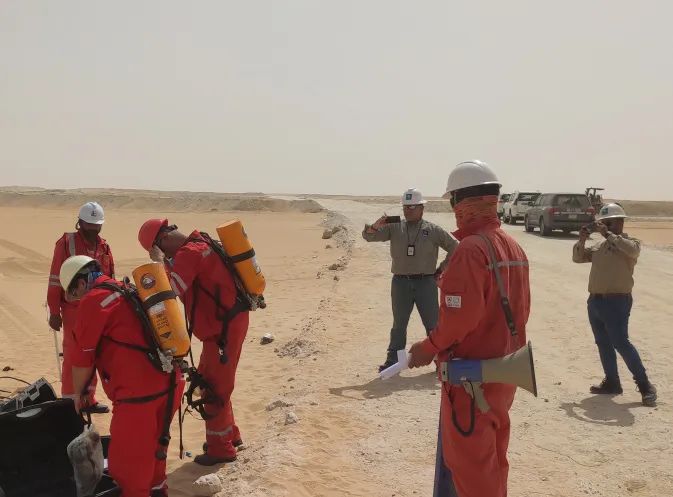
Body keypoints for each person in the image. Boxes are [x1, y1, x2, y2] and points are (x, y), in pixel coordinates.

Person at [408, 160, 530, 497]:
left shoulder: (471, 250)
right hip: (503, 373)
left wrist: (427, 347)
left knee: (474, 471)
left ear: (460, 202)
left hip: (472, 382)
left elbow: (459, 320)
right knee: (493, 463)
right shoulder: (511, 245)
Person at [60, 255, 184, 497]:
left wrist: (79, 395)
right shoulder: (127, 289)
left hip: (138, 396)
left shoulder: (94, 301)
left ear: (82, 283)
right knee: (155, 449)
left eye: (74, 293)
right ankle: (158, 490)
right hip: (171, 384)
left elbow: (82, 360)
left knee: (126, 467)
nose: (77, 299)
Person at [137, 219, 250, 466]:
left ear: (163, 240)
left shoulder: (189, 253)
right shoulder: (201, 241)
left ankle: (221, 449)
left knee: (214, 388)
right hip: (227, 324)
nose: (167, 256)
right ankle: (231, 435)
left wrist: (159, 262)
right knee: (214, 380)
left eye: (160, 249)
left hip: (222, 330)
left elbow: (172, 289)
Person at [363, 188, 457, 372]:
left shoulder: (433, 230)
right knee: (399, 324)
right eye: (405, 207)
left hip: (426, 283)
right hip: (401, 283)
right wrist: (375, 226)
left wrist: (441, 269)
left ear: (422, 208)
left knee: (433, 324)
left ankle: (442, 361)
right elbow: (368, 236)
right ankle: (394, 361)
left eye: (412, 207)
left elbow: (455, 248)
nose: (408, 210)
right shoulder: (394, 227)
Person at [573, 203, 657, 406]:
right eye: (603, 223)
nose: (605, 226)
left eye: (609, 223)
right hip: (595, 301)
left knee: (621, 342)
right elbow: (578, 258)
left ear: (620, 223)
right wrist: (581, 240)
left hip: (617, 302)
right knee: (603, 343)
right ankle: (612, 382)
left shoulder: (630, 244)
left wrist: (607, 234)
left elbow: (633, 251)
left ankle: (645, 386)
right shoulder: (600, 246)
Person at [47, 201, 114, 413]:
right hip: (73, 309)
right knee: (74, 354)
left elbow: (110, 278)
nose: (93, 230)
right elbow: (55, 278)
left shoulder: (104, 247)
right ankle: (70, 403)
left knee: (93, 353)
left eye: (97, 226)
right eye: (89, 225)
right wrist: (54, 310)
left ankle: (88, 400)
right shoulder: (66, 244)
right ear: (80, 223)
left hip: (98, 310)